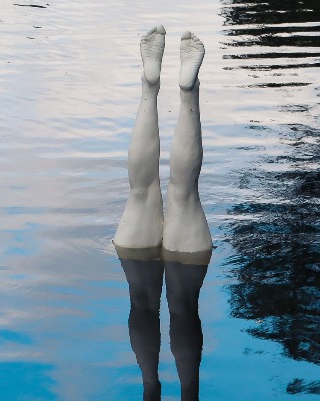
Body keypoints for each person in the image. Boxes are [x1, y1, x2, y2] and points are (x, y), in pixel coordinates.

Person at [113, 25, 213, 401]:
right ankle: (188, 91)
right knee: (183, 195)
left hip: (133, 249)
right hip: (189, 252)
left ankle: (149, 85)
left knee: (141, 192)